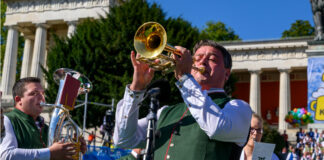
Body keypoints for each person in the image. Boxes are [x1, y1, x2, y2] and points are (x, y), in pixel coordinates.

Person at [113, 39, 253, 159]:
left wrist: (185, 79)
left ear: (227, 74)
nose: (202, 62)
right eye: (196, 58)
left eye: (212, 59)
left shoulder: (238, 107)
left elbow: (216, 127)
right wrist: (136, 89)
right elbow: (123, 139)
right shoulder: (165, 112)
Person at [0, 77, 87, 160]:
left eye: (43, 93)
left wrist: (73, 152)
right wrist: (50, 153)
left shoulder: (46, 128)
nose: (42, 98)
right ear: (19, 100)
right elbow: (5, 155)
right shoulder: (7, 120)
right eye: (34, 93)